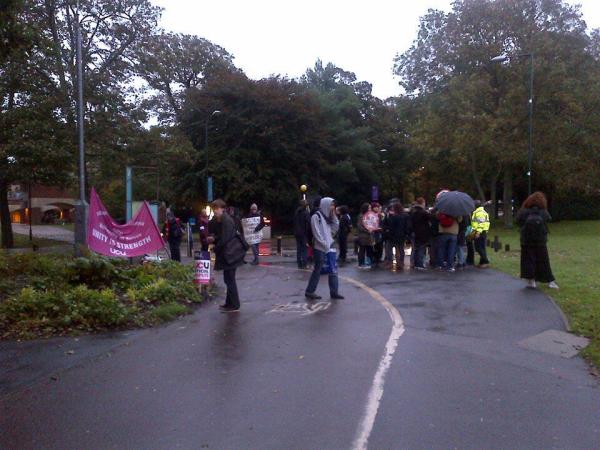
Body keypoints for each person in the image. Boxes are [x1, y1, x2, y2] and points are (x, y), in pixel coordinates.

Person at [516, 192, 559, 289]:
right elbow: (548, 219)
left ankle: (531, 280)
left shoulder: (524, 211)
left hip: (526, 240)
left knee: (528, 260)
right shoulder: (543, 212)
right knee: (543, 260)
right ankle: (549, 280)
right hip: (540, 240)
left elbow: (518, 221)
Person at [305, 197, 344, 300]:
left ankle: (334, 292)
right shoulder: (316, 216)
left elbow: (336, 226)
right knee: (318, 269)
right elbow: (316, 233)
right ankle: (310, 291)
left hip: (329, 245)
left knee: (333, 269)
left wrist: (334, 215)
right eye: (331, 205)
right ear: (325, 205)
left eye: (333, 205)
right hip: (320, 248)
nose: (332, 207)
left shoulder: (328, 216)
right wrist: (324, 244)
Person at [209, 199, 245, 312]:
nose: (215, 211)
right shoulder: (221, 220)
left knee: (230, 279)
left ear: (222, 208)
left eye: (217, 208)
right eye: (214, 208)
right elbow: (222, 236)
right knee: (228, 278)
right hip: (228, 254)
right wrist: (214, 238)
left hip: (231, 254)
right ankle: (230, 303)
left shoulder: (227, 220)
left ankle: (234, 305)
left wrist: (215, 247)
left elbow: (226, 238)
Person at [388, 202, 411, 271]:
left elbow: (391, 227)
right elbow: (408, 226)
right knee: (401, 249)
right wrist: (407, 234)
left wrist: (390, 234)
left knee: (397, 249)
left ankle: (398, 263)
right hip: (403, 235)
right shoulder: (406, 216)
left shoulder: (394, 216)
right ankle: (402, 262)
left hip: (395, 235)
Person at [410, 197, 431, 270]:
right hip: (423, 233)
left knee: (416, 248)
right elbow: (430, 218)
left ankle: (415, 264)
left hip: (415, 232)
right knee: (421, 249)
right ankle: (420, 264)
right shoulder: (423, 212)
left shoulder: (413, 211)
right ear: (422, 203)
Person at [471, 200, 491, 268]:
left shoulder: (479, 213)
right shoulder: (479, 212)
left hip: (480, 232)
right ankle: (482, 262)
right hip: (482, 231)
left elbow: (481, 223)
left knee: (478, 248)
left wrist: (478, 232)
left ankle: (485, 261)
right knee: (481, 247)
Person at [293, 200, 311, 269]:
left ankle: (299, 264)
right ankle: (305, 264)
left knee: (299, 249)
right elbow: (308, 224)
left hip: (297, 233)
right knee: (304, 249)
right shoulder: (306, 213)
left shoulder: (296, 212)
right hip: (304, 233)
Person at [357, 203, 374, 269]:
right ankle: (361, 263)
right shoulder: (361, 216)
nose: (370, 209)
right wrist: (367, 230)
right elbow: (360, 226)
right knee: (362, 250)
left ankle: (369, 263)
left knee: (369, 250)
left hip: (369, 236)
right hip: (363, 236)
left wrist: (372, 229)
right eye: (369, 208)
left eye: (370, 208)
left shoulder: (370, 216)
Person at [371, 202, 384, 268]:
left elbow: (382, 223)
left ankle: (378, 258)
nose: (377, 208)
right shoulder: (371, 215)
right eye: (376, 207)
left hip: (379, 232)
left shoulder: (380, 215)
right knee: (375, 246)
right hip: (374, 233)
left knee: (380, 245)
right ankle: (375, 258)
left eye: (378, 207)